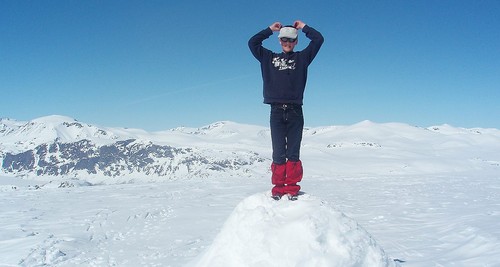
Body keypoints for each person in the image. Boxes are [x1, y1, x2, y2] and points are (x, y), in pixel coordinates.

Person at [248, 20, 324, 200]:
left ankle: (291, 188)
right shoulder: (268, 58)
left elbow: (318, 39)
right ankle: (278, 189)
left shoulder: (302, 58)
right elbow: (252, 43)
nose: (287, 44)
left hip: (295, 111)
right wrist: (269, 30)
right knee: (278, 152)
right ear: (279, 41)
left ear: (296, 42)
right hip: (276, 112)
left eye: (291, 41)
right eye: (284, 40)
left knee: (293, 153)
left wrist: (303, 27)